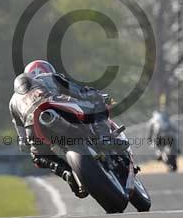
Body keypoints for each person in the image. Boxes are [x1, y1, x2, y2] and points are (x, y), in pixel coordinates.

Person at [9, 60, 119, 198]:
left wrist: (26, 144)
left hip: (33, 127)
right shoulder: (50, 77)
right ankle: (104, 138)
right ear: (48, 70)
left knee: (37, 156)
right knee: (97, 102)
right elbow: (80, 92)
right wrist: (97, 95)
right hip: (60, 109)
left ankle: (65, 172)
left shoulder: (13, 100)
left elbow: (22, 137)